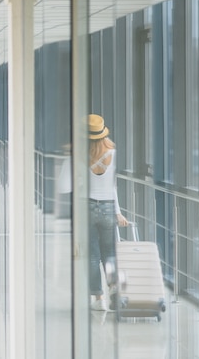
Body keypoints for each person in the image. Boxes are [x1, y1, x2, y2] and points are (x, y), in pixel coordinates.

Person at [87, 114, 128, 311]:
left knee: (93, 256)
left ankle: (98, 298)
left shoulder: (82, 154)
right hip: (108, 208)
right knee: (110, 253)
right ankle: (114, 290)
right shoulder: (113, 152)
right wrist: (118, 213)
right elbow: (113, 187)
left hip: (88, 207)